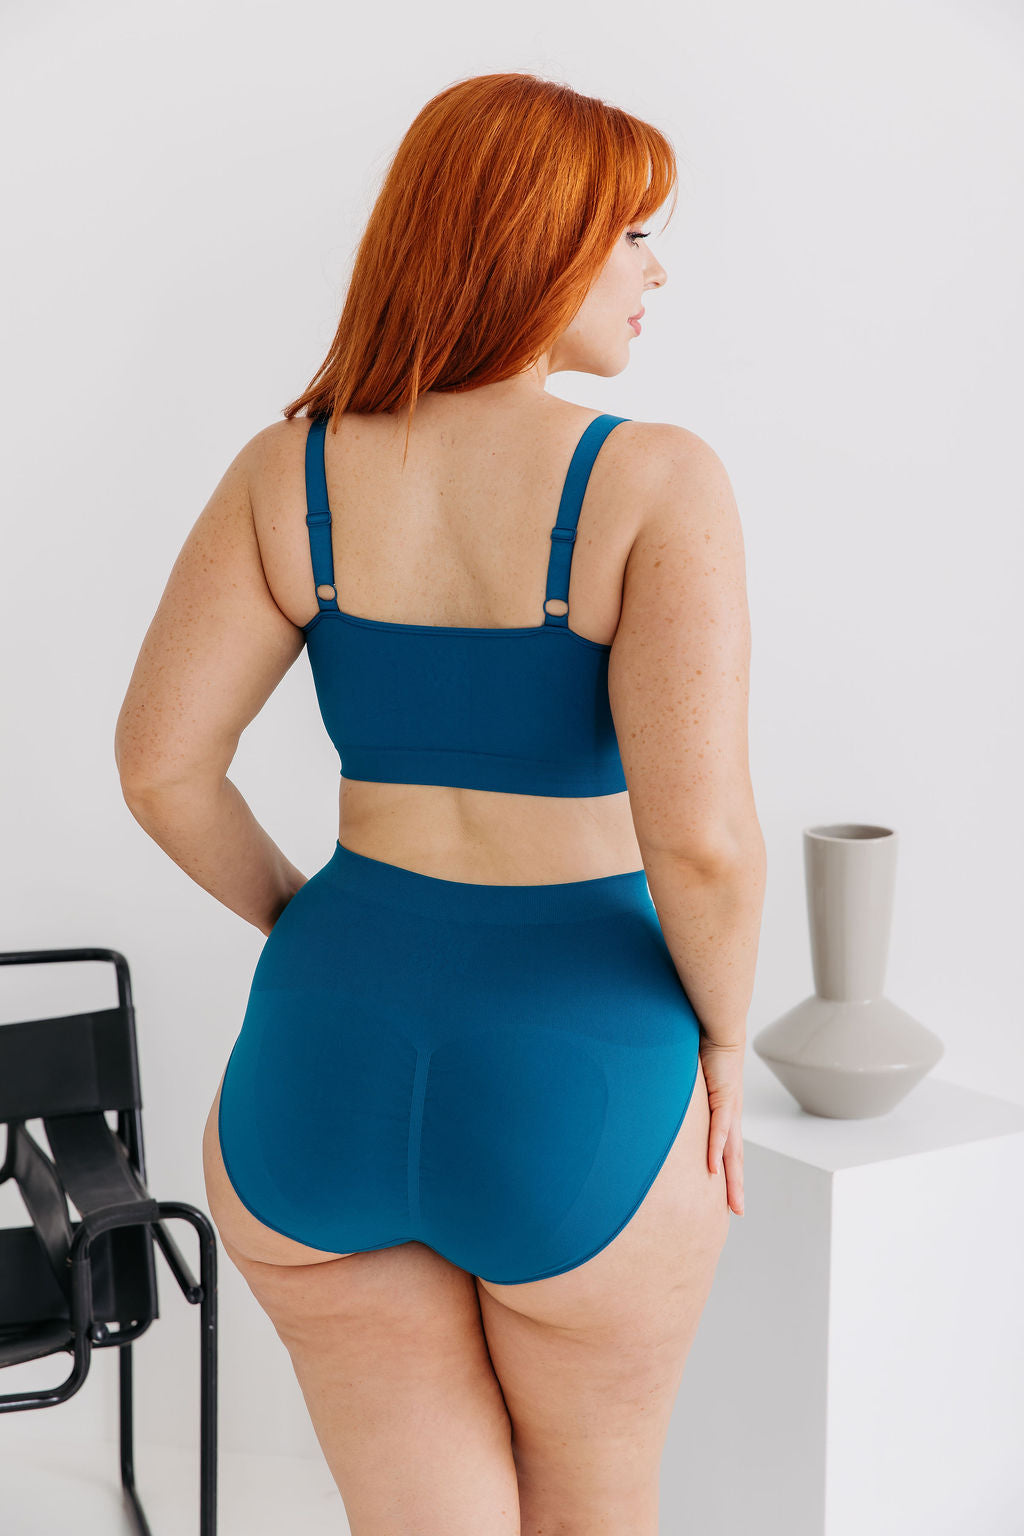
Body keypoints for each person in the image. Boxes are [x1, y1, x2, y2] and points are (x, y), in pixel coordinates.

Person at [115, 70, 766, 1536]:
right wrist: (728, 1037)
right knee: (596, 1505)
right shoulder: (656, 481)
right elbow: (705, 845)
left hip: (324, 1041)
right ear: (541, 243)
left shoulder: (289, 472)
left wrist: (310, 922)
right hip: (583, 1066)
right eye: (633, 236)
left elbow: (160, 767)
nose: (655, 272)